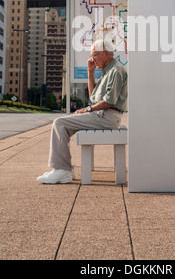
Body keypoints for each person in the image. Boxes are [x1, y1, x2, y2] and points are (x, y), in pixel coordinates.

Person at [37, 39, 128, 184]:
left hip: (107, 116)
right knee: (63, 126)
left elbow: (109, 101)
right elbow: (93, 97)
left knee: (59, 123)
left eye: (95, 55)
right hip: (103, 115)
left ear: (105, 54)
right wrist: (90, 72)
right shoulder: (108, 70)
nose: (92, 59)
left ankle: (62, 170)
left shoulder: (116, 71)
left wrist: (87, 109)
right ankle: (64, 169)